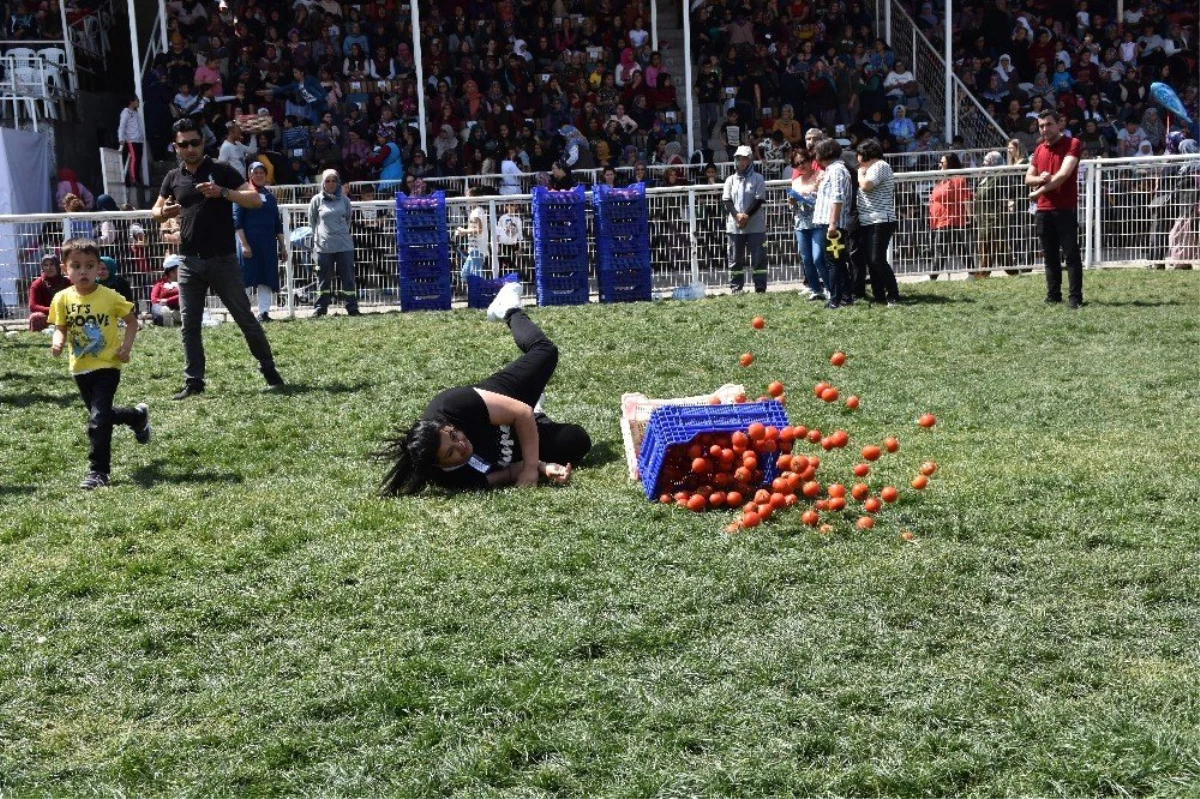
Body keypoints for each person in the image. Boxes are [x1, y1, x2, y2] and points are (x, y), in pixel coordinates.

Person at [377, 283, 591, 495]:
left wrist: (529, 468)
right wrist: (542, 467)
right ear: (438, 465)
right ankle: (537, 414)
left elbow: (520, 412)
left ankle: (508, 309)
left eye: (453, 435)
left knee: (546, 352)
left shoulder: (452, 405)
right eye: (450, 452)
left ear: (447, 424)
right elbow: (505, 474)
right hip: (508, 442)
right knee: (577, 441)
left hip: (499, 401)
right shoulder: (449, 479)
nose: (460, 444)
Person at [152, 117, 284, 399]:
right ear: (176, 148)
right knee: (189, 325)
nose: (190, 148)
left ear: (203, 142)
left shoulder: (222, 170)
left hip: (223, 260)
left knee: (244, 318)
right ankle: (194, 382)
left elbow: (256, 200)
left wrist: (223, 193)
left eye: (195, 142)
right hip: (188, 261)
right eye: (183, 144)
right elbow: (155, 211)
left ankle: (268, 368)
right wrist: (166, 212)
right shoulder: (173, 178)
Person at [47, 238, 151, 490]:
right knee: (101, 416)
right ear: (65, 269)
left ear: (98, 268)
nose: (83, 271)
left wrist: (126, 347)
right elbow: (60, 328)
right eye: (76, 266)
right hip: (80, 367)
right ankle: (137, 417)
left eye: (90, 266)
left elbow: (133, 322)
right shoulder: (61, 299)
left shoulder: (110, 297)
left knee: (97, 420)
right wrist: (58, 342)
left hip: (108, 365)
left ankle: (98, 472)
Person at [1027, 110, 1085, 308]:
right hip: (1043, 210)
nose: (1045, 129)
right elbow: (1027, 178)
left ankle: (1075, 298)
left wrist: (1038, 191)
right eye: (1042, 126)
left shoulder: (1073, 144)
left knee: (1071, 254)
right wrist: (1041, 179)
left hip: (1064, 208)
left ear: (1059, 124)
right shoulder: (1038, 149)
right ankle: (1053, 296)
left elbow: (1063, 176)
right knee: (1049, 255)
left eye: (1049, 124)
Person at [235, 162, 287, 322]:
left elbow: (277, 223)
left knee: (266, 277)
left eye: (261, 173)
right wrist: (244, 244)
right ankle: (244, 314)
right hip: (248, 243)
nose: (259, 175)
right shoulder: (242, 194)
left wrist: (283, 246)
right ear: (250, 175)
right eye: (255, 172)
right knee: (247, 278)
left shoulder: (270, 196)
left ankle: (264, 312)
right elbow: (237, 221)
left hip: (267, 245)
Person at [855, 138, 902, 306]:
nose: (857, 158)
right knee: (871, 260)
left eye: (859, 154)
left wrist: (860, 173)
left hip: (881, 219)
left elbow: (866, 185)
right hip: (868, 220)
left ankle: (893, 295)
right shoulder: (871, 168)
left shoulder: (880, 166)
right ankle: (879, 296)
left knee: (877, 259)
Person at [308, 168, 360, 317]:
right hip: (323, 246)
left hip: (344, 245)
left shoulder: (345, 200)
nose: (331, 184)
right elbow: (312, 221)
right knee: (323, 279)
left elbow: (348, 219)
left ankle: (352, 308)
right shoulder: (316, 200)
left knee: (348, 278)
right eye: (327, 181)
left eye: (334, 180)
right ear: (323, 183)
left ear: (338, 182)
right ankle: (320, 308)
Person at [812, 138, 854, 308]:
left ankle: (835, 299)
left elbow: (837, 198)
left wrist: (832, 224)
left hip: (832, 224)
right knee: (837, 261)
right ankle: (845, 296)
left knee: (833, 262)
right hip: (829, 222)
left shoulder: (837, 170)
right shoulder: (831, 170)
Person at [723, 145, 768, 293]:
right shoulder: (730, 180)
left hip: (755, 224)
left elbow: (759, 199)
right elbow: (727, 200)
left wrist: (746, 215)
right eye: (738, 159)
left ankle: (760, 287)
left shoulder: (758, 178)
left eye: (744, 159)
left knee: (758, 257)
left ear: (750, 160)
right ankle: (736, 287)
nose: (741, 162)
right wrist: (737, 215)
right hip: (735, 224)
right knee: (735, 259)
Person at [786, 148, 826, 302]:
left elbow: (822, 200)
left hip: (817, 222)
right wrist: (792, 202)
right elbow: (793, 207)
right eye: (796, 164)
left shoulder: (820, 176)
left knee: (818, 258)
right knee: (806, 259)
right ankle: (816, 290)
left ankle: (829, 288)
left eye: (803, 161)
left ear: (810, 160)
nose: (801, 166)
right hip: (801, 223)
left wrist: (805, 198)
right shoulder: (795, 181)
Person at [929, 153, 975, 279]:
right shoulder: (943, 180)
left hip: (949, 219)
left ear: (950, 163)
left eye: (942, 162)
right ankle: (972, 272)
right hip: (940, 219)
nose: (940, 164)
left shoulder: (957, 180)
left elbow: (966, 198)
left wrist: (970, 218)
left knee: (941, 248)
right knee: (958, 247)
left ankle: (932, 277)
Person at [972, 151, 1010, 279]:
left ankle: (985, 273)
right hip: (983, 217)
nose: (983, 164)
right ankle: (985, 271)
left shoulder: (998, 177)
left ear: (994, 162)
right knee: (987, 245)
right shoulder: (985, 178)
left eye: (987, 161)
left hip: (993, 218)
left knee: (995, 246)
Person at [27, 252, 72, 332]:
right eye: (45, 265)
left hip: (64, 313)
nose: (48, 268)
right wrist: (53, 309)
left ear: (58, 266)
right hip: (47, 314)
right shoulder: (37, 284)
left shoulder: (67, 282)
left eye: (51, 264)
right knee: (36, 317)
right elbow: (33, 306)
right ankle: (40, 339)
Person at [454, 186, 490, 281]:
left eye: (468, 196)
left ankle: (480, 292)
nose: (466, 199)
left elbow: (479, 230)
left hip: (478, 248)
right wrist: (465, 232)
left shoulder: (477, 212)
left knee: (475, 274)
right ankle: (474, 292)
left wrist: (463, 231)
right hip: (474, 248)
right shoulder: (476, 211)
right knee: (465, 274)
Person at [117, 95, 147, 206]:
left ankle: (137, 179)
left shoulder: (136, 113)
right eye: (137, 101)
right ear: (131, 102)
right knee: (134, 159)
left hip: (139, 140)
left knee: (138, 159)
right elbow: (122, 126)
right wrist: (121, 138)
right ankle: (134, 180)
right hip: (131, 140)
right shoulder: (126, 112)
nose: (138, 102)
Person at [151, 255, 182, 326]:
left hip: (179, 306)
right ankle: (172, 317)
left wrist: (167, 301)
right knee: (155, 307)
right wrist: (164, 303)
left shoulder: (183, 283)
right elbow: (154, 300)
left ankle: (172, 317)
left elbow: (184, 296)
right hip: (162, 308)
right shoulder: (159, 283)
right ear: (172, 271)